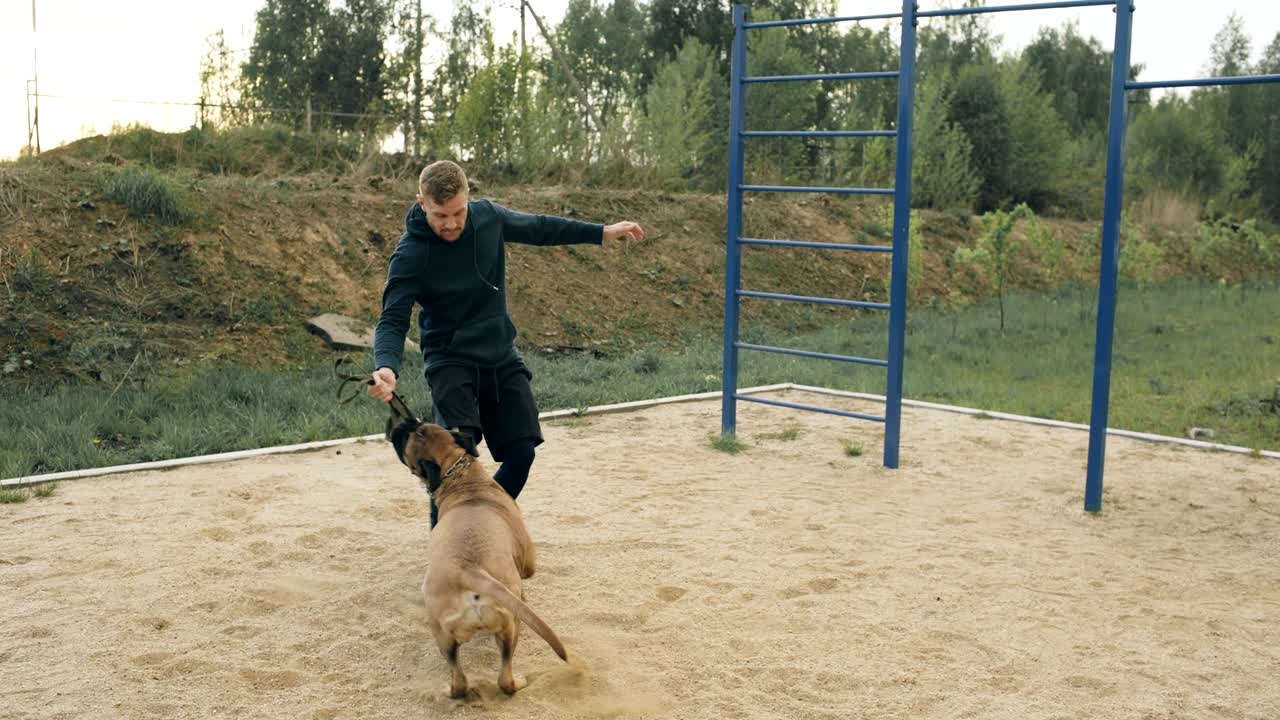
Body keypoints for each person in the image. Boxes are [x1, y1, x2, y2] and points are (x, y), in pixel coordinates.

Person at [368, 160, 644, 526]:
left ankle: (481, 521)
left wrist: (602, 232)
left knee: (522, 452)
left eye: (457, 212)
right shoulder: (411, 254)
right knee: (452, 460)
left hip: (500, 355)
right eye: (440, 215)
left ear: (469, 198)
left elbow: (541, 228)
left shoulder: (488, 218)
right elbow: (392, 318)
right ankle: (446, 545)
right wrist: (386, 364)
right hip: (450, 360)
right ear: (422, 204)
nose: (450, 224)